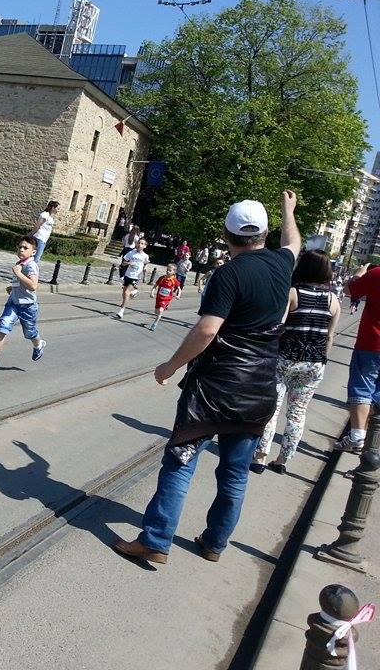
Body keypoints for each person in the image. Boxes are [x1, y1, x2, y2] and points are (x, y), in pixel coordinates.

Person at [113, 191, 300, 565]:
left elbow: (208, 329)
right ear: (264, 235)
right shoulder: (282, 263)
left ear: (227, 236)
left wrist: (171, 366)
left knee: (180, 463)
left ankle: (156, 540)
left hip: (214, 390)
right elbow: (293, 242)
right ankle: (214, 543)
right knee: (235, 474)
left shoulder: (227, 274)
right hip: (258, 391)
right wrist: (288, 210)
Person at [252, 250, 339, 474]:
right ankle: (282, 461)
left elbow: (278, 326)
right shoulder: (333, 300)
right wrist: (321, 360)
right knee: (297, 413)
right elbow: (329, 337)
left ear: (303, 267)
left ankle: (260, 457)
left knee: (272, 408)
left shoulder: (293, 293)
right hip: (314, 364)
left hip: (285, 359)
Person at [0, 235, 46, 370]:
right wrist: (13, 287)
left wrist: (18, 274)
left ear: (33, 252)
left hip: (28, 306)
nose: (21, 249)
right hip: (13, 303)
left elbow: (33, 286)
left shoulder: (31, 266)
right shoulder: (19, 264)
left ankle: (38, 344)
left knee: (29, 332)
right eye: (20, 247)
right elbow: (20, 282)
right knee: (3, 325)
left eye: (25, 248)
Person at [340, 261, 380, 452]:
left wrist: (360, 273)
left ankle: (357, 436)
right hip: (371, 343)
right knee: (377, 394)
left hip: (371, 342)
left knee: (362, 387)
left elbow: (349, 290)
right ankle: (371, 444)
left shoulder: (377, 274)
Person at [115, 238, 149, 320]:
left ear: (145, 246)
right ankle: (133, 292)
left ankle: (121, 311)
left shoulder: (145, 256)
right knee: (124, 293)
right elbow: (123, 263)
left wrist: (145, 273)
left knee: (126, 292)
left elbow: (146, 264)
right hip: (128, 275)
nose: (140, 245)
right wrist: (129, 263)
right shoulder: (131, 253)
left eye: (142, 243)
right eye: (139, 243)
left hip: (136, 277)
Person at [149, 263, 181, 331]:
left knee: (160, 311)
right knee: (156, 312)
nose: (167, 271)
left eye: (170, 270)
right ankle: (165, 306)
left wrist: (178, 295)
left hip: (166, 299)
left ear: (174, 272)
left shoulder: (174, 280)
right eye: (167, 270)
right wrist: (152, 292)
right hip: (159, 298)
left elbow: (179, 289)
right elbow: (155, 286)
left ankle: (155, 324)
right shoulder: (162, 278)